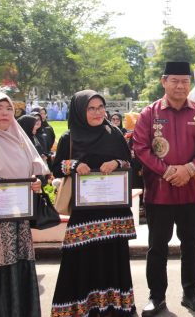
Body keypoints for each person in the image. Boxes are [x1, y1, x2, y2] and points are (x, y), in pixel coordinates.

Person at [133, 62, 195, 316]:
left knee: (191, 244)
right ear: (164, 81)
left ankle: (191, 293)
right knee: (157, 246)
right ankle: (156, 296)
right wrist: (168, 171)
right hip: (160, 192)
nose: (180, 86)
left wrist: (189, 169)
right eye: (175, 81)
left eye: (185, 81)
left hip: (192, 191)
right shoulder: (149, 114)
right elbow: (141, 148)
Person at [50, 90, 137, 316]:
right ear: (80, 111)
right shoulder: (69, 138)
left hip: (113, 211)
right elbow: (55, 167)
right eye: (91, 108)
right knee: (80, 261)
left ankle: (113, 307)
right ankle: (82, 308)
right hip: (84, 214)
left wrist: (116, 162)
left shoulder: (114, 133)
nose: (98, 113)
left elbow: (129, 162)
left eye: (100, 107)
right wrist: (74, 164)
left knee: (111, 259)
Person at [0, 92, 45, 317]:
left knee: (19, 263)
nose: (4, 113)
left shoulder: (20, 139)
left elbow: (34, 170)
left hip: (18, 218)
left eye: (8, 108)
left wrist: (35, 183)